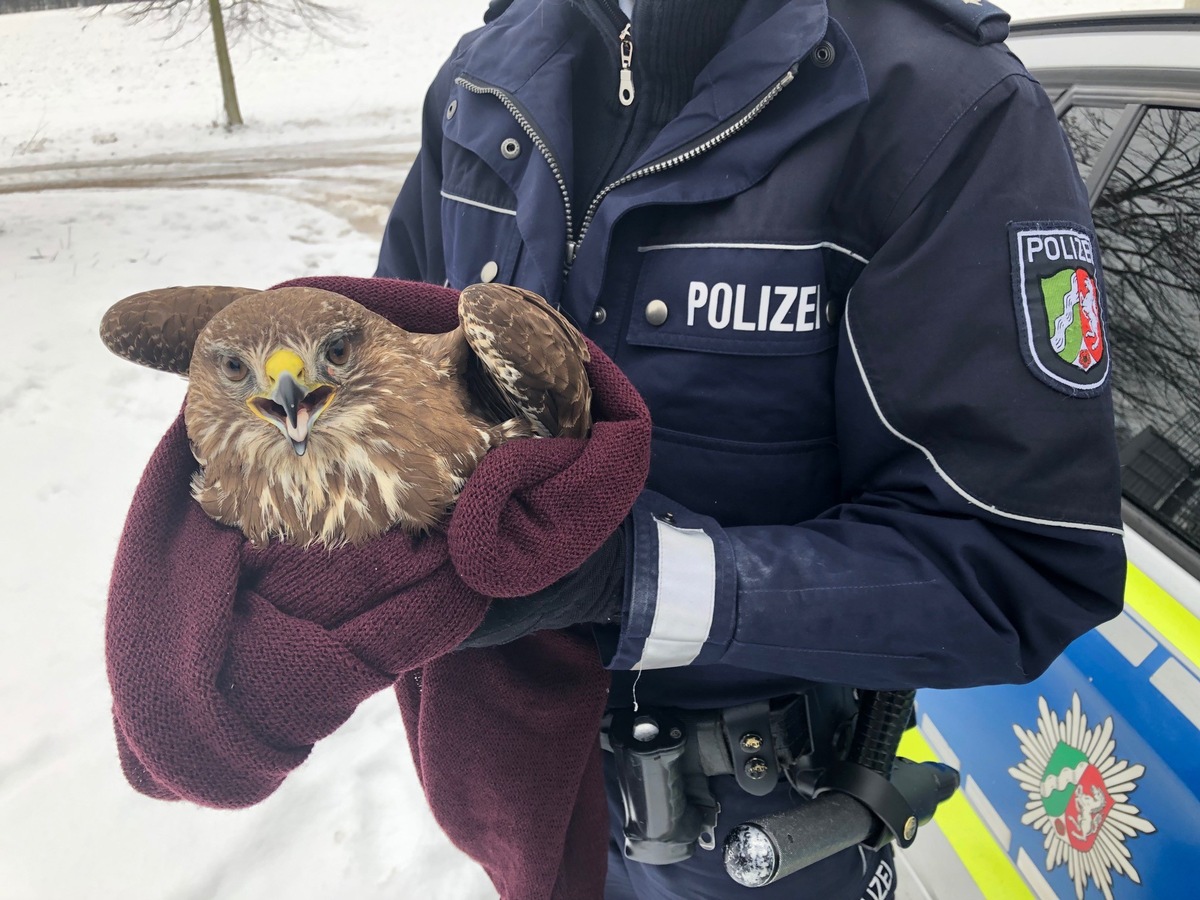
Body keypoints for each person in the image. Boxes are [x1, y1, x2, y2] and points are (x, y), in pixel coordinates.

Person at [374, 0, 1127, 897]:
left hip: (763, 846)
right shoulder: (481, 77)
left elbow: (1021, 563)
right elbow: (393, 391)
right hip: (516, 802)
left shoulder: (942, 107)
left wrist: (631, 583)